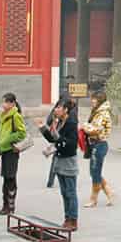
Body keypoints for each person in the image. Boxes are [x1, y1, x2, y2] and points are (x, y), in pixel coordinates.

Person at [36, 99, 79, 230]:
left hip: (68, 162)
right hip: (59, 161)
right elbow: (53, 138)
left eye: (59, 107)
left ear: (66, 110)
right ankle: (67, 218)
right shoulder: (60, 122)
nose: (56, 110)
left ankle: (73, 220)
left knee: (70, 192)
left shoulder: (71, 124)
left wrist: (57, 138)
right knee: (64, 192)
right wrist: (43, 128)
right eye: (56, 107)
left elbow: (71, 144)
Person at [83, 90, 115, 207]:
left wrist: (85, 126)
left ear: (99, 100)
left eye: (94, 99)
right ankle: (109, 193)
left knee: (95, 173)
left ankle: (93, 199)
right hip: (95, 144)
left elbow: (96, 129)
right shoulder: (97, 112)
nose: (92, 101)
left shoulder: (103, 113)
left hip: (99, 144)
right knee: (94, 172)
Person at [0, 93, 26, 216]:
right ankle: (5, 204)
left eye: (6, 102)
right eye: (3, 102)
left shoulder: (15, 116)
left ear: (12, 103)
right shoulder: (3, 116)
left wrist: (8, 139)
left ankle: (10, 205)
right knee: (6, 177)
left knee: (10, 177)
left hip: (12, 150)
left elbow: (22, 133)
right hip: (5, 150)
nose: (4, 105)